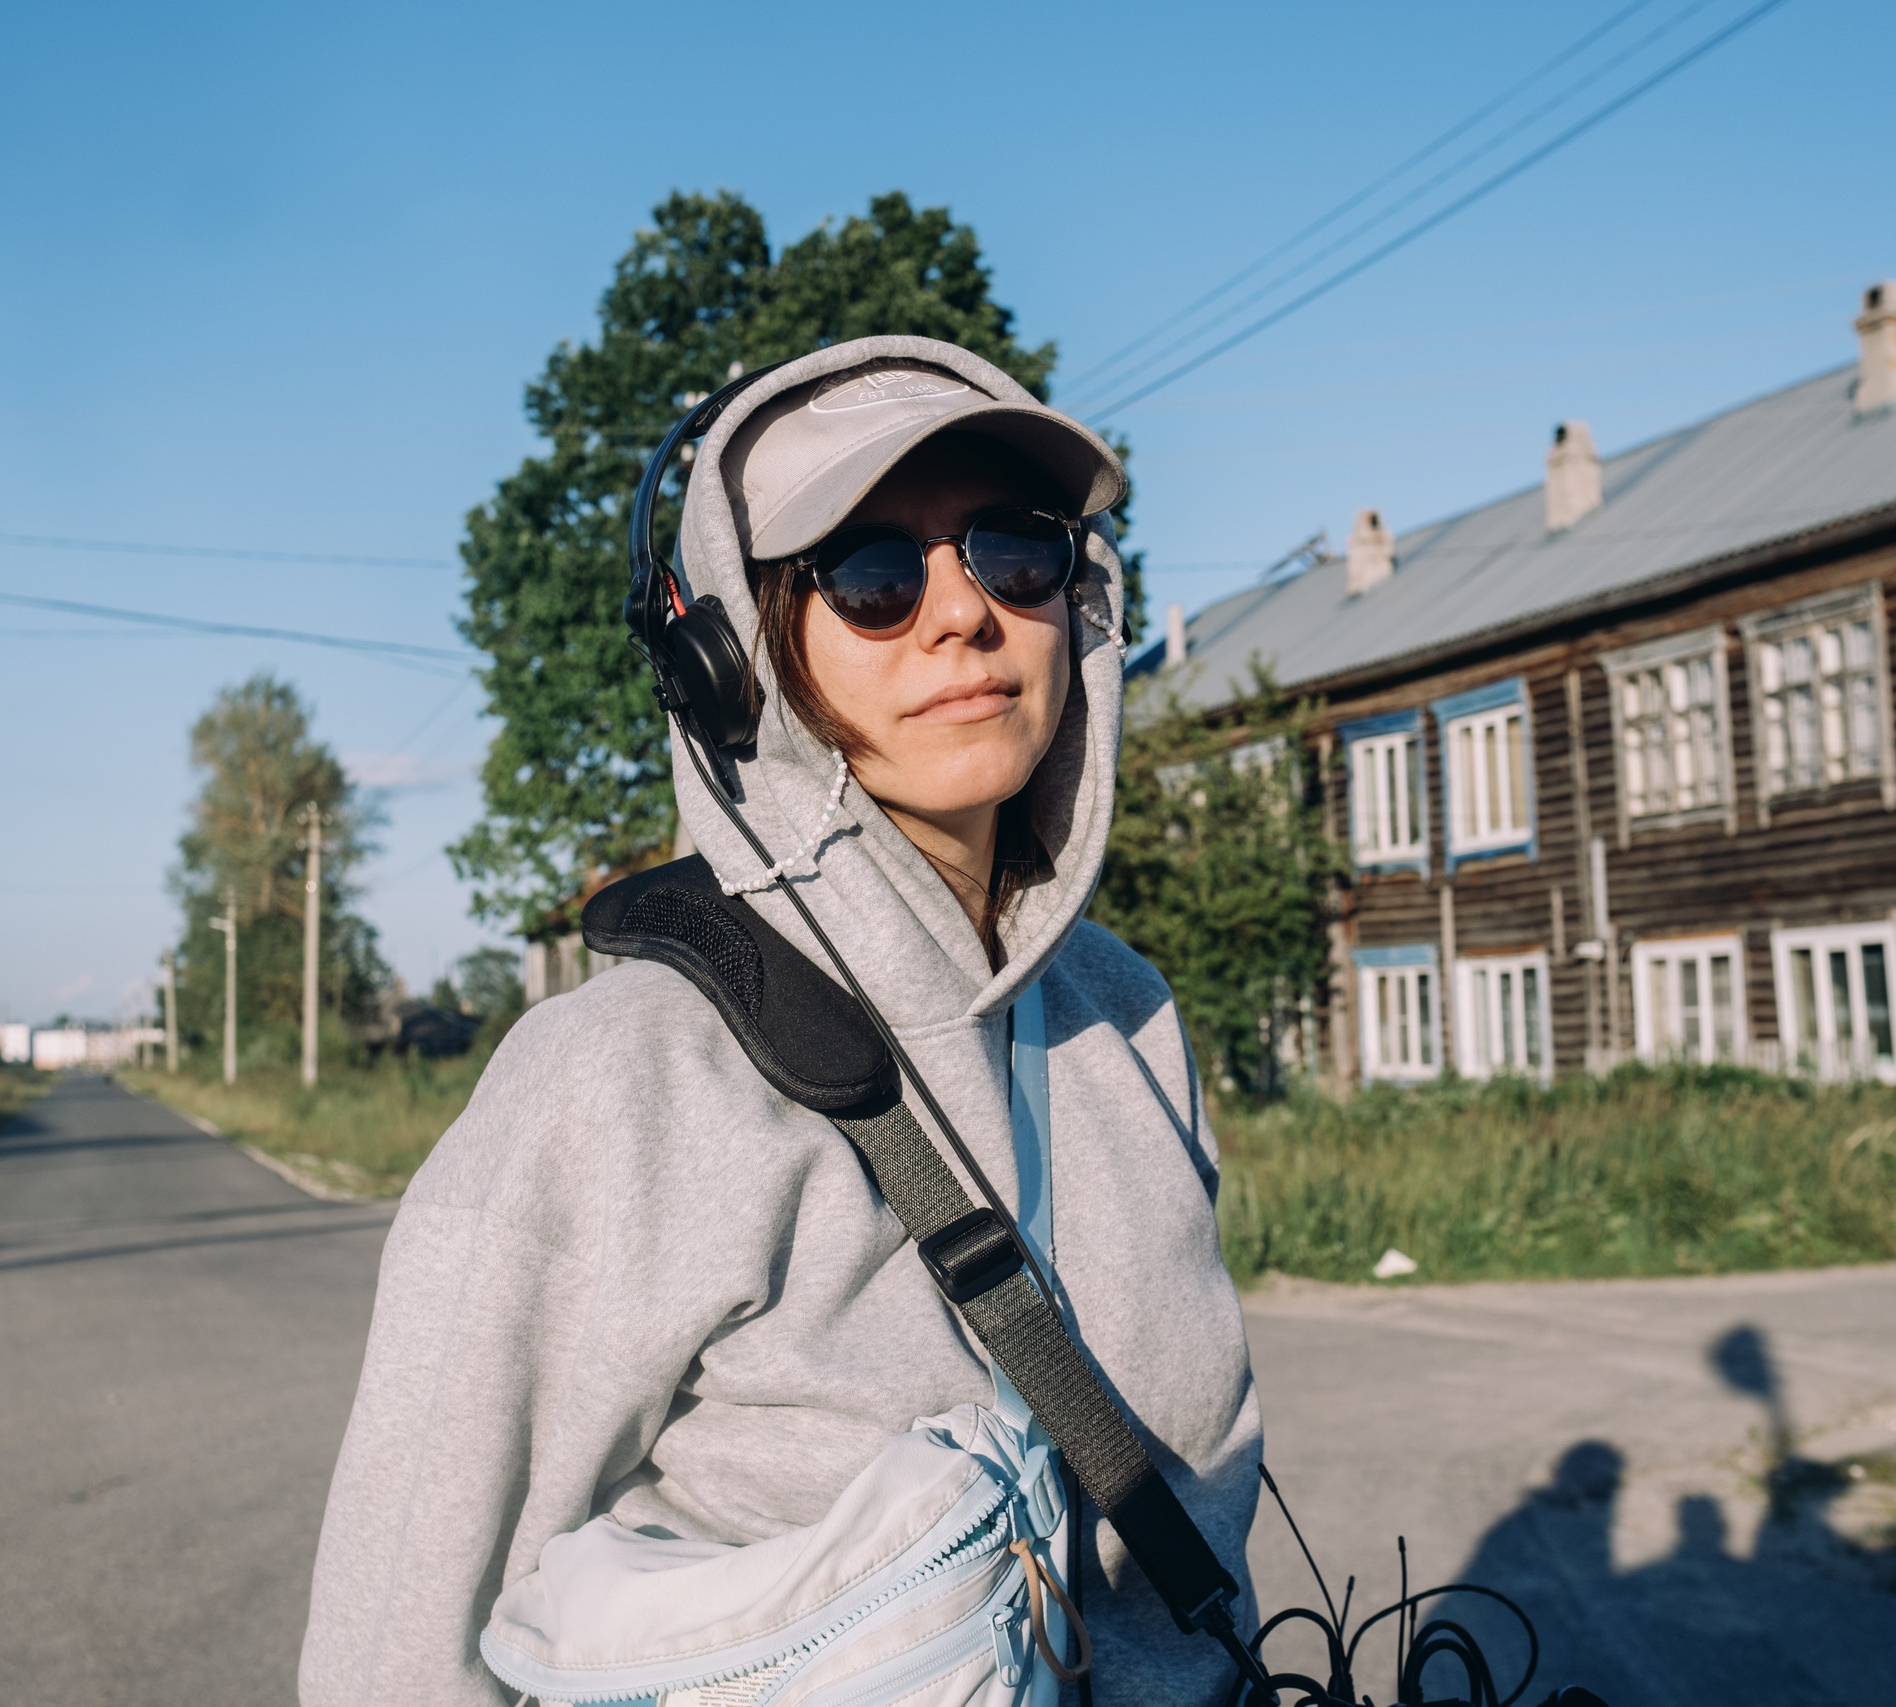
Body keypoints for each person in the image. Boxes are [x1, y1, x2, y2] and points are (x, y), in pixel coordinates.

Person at [298, 336, 1262, 1706]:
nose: (962, 615)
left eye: (1015, 552)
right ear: (727, 658)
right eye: (870, 575)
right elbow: (399, 1641)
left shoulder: (1125, 1014)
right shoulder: (619, 1076)